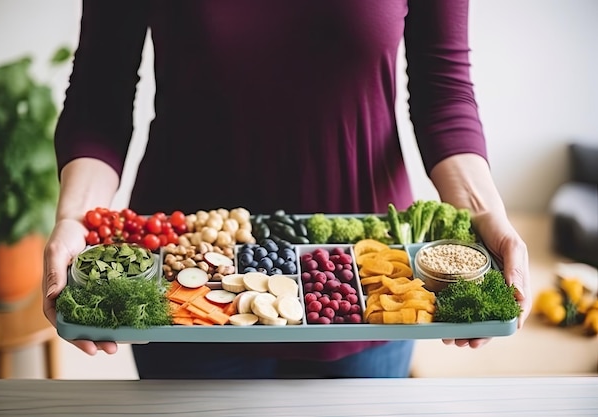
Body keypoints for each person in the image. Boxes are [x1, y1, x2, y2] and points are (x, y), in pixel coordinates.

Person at [44, 0, 532, 379]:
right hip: (184, 285)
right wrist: (75, 219)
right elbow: (98, 94)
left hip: (369, 281)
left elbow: (443, 91)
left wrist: (485, 212)